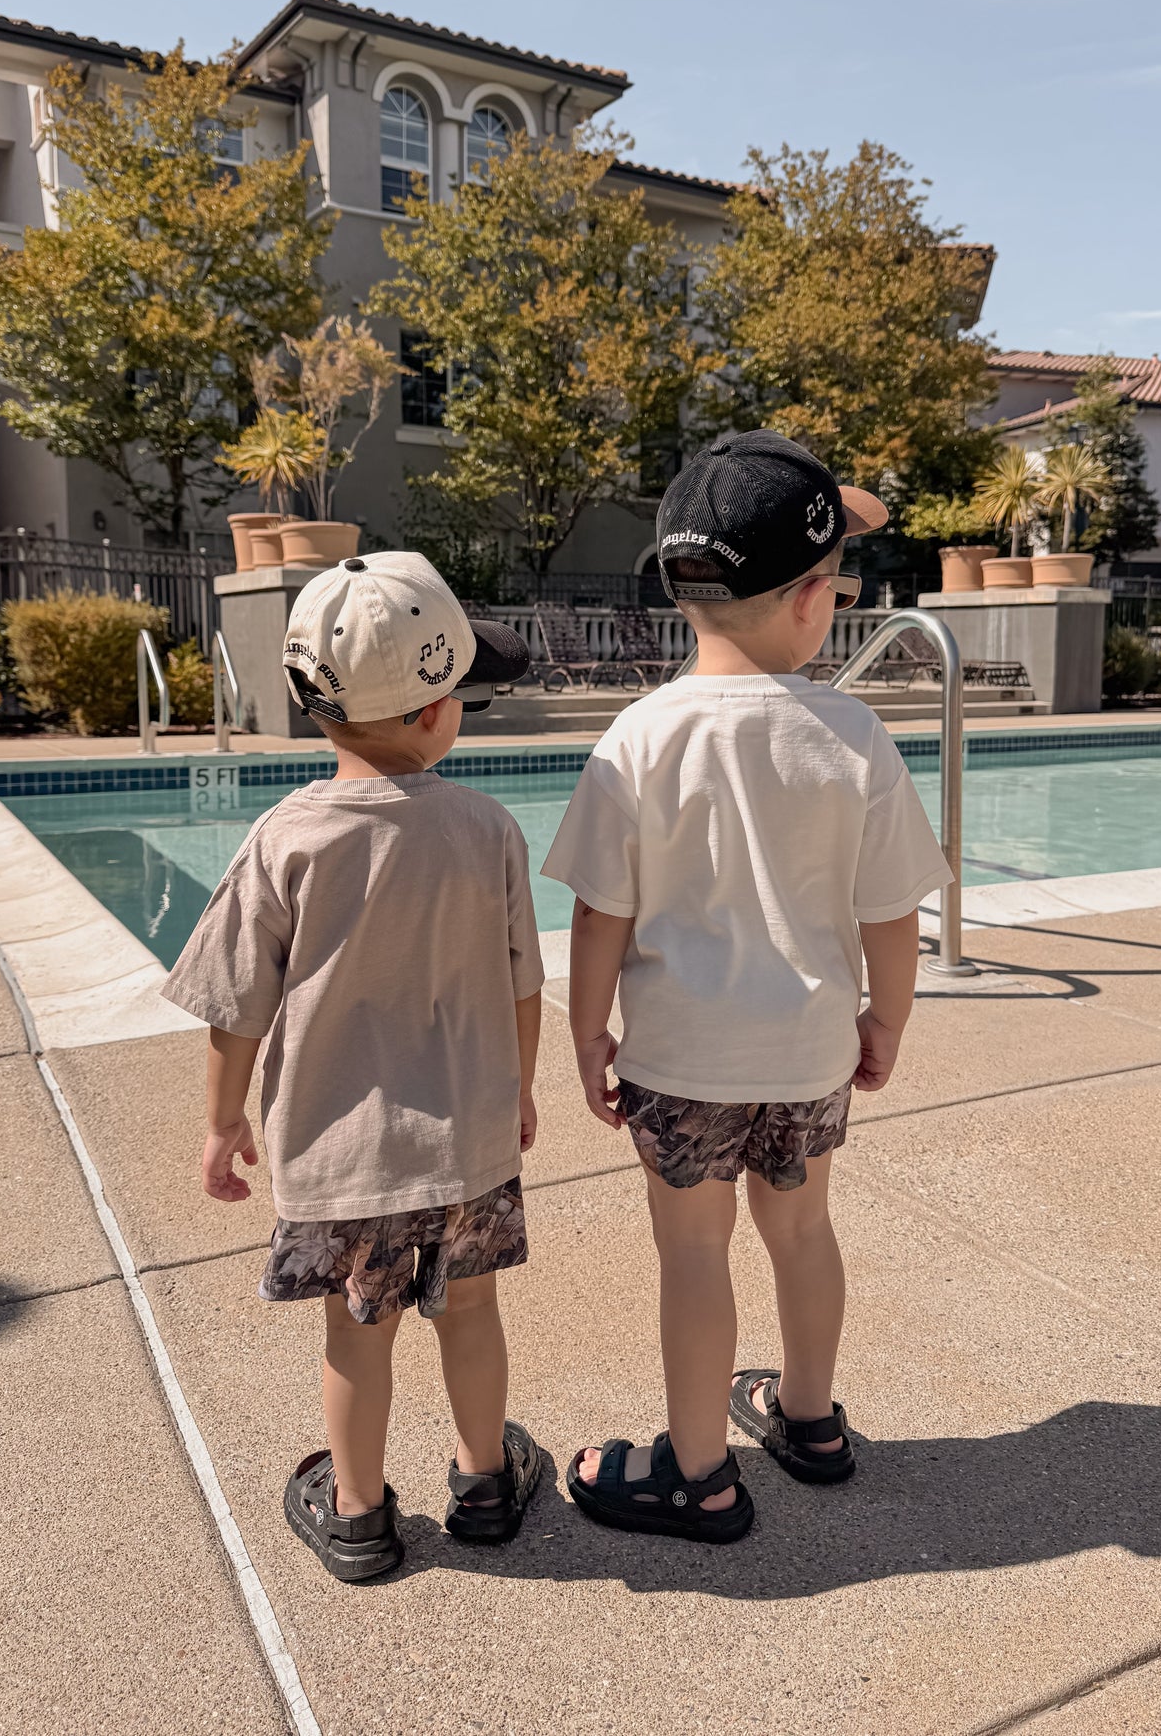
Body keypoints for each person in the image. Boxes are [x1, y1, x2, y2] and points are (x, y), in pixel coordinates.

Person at [543, 430, 952, 1542]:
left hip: (681, 1059)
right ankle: (810, 1419)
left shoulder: (635, 737)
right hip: (810, 1050)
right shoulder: (852, 735)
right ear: (814, 598)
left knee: (691, 1250)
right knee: (802, 1230)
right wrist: (886, 1019)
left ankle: (697, 1472)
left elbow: (597, 912)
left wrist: (586, 1035)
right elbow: (890, 913)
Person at [162, 553, 545, 1582]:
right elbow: (521, 985)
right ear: (432, 715)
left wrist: (221, 1121)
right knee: (470, 1311)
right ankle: (483, 1485)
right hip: (466, 1138)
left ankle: (359, 1513)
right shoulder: (488, 830)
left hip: (343, 1157)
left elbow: (233, 1004)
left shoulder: (285, 838)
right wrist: (519, 1088)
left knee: (356, 1331)